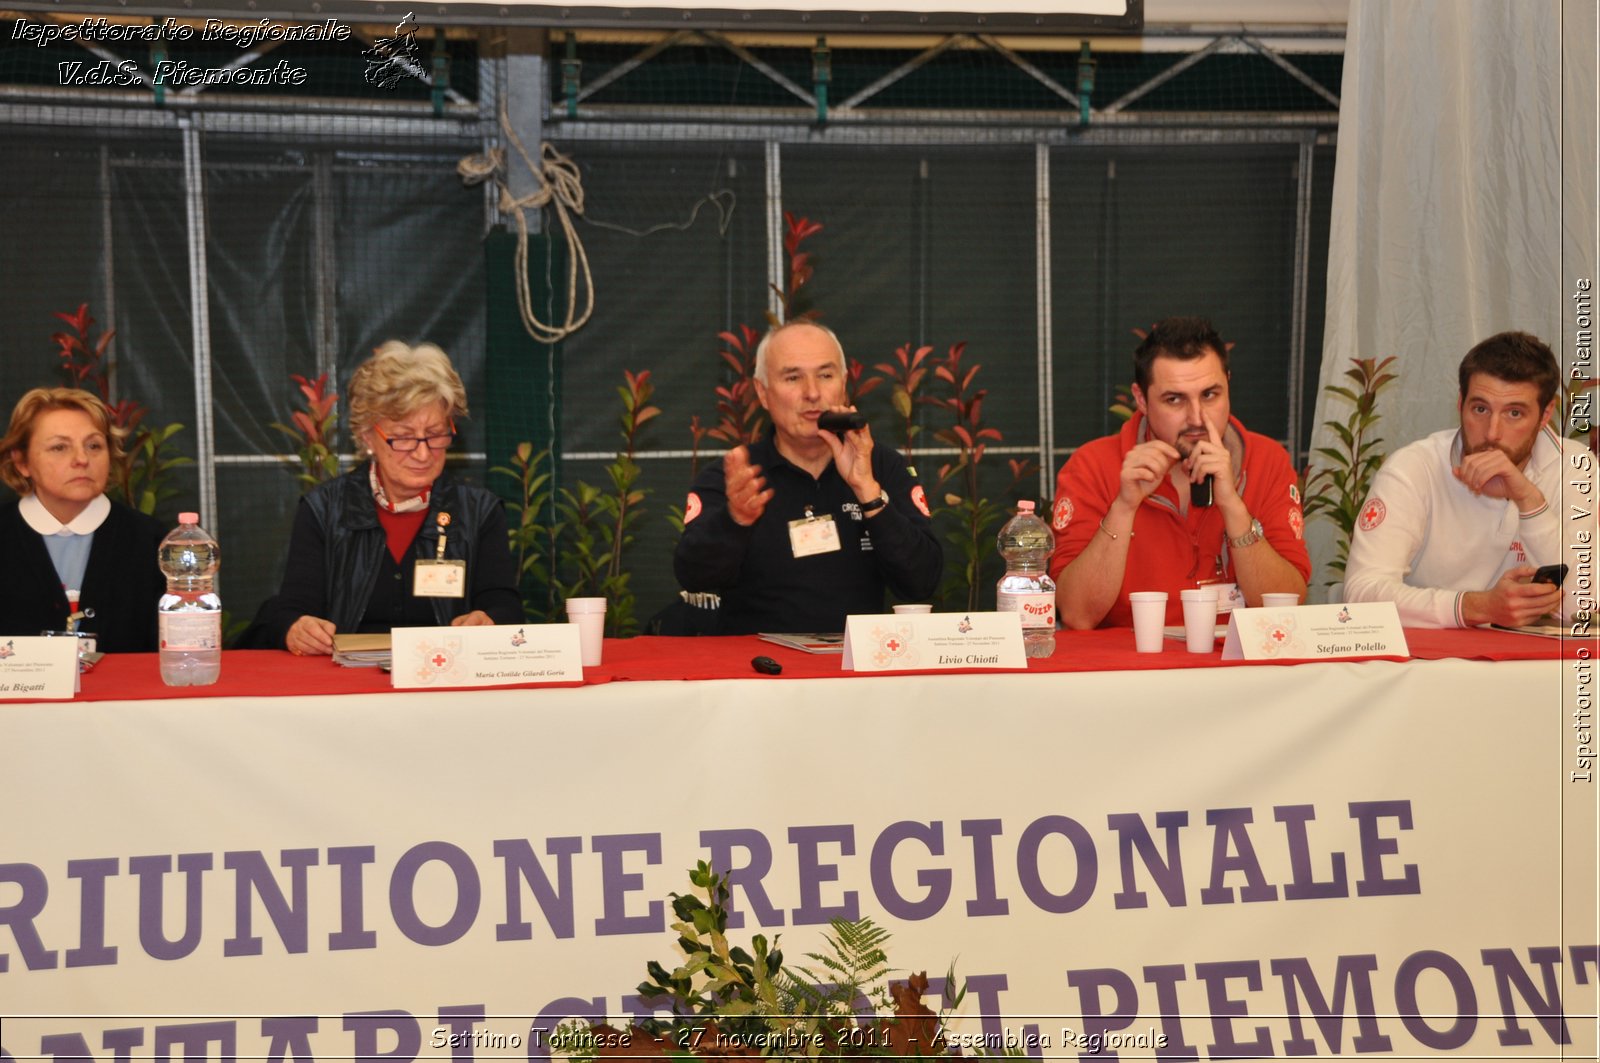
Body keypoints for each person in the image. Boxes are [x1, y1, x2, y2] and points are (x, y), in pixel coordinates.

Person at [250, 342, 522, 654]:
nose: (422, 453)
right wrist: (295, 629)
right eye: (404, 438)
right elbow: (292, 609)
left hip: (446, 679)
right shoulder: (324, 509)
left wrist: (489, 620)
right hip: (347, 687)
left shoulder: (478, 511)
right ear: (367, 437)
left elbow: (504, 605)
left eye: (435, 435)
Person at [673, 321, 943, 634]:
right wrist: (735, 520)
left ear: (843, 384)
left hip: (856, 666)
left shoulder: (880, 467)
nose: (812, 393)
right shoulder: (736, 475)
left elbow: (922, 584)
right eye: (793, 377)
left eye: (825, 376)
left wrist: (869, 493)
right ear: (762, 392)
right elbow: (693, 577)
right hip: (757, 671)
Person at [1050, 317, 1311, 628]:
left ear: (1228, 384)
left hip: (1235, 667)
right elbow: (1077, 615)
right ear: (1141, 400)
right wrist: (1124, 507)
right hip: (1131, 668)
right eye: (1174, 400)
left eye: (1210, 395)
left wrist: (1233, 508)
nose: (1197, 418)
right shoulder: (1091, 466)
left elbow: (1286, 606)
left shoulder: (1268, 461)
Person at [1344, 331, 1589, 627]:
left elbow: (1583, 608)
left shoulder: (1573, 467)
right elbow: (1361, 594)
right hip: (1428, 664)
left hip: (1526, 665)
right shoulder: (1414, 468)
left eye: (1514, 413)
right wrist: (1474, 607)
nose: (1492, 433)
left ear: (1545, 413)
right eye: (1480, 409)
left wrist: (1529, 500)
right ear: (1460, 403)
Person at [0, 387, 167, 651]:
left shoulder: (153, 542)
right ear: (22, 462)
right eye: (59, 447)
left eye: (94, 446)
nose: (81, 459)